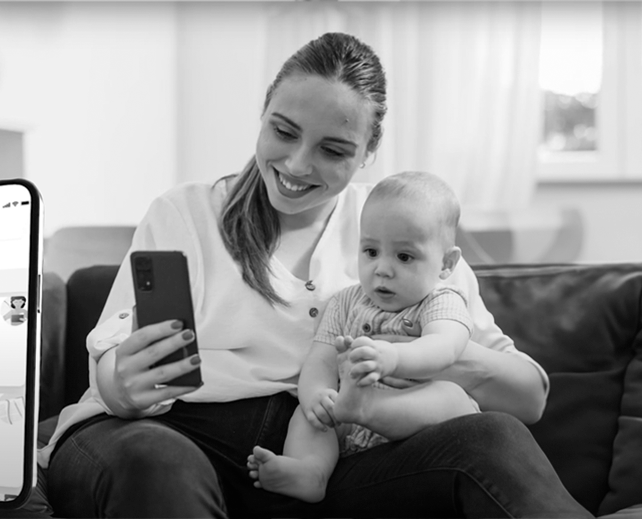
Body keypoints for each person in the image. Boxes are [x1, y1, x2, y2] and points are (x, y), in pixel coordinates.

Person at [41, 32, 593, 518]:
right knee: (156, 461)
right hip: (170, 432)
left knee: (489, 437)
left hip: (322, 464)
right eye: (283, 131)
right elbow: (112, 372)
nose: (298, 165)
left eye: (333, 149)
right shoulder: (185, 213)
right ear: (262, 114)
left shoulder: (400, 233)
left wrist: (426, 349)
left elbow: (528, 399)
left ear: (368, 152)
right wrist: (123, 384)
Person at [246, 171, 482, 503]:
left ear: (446, 263)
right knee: (309, 413)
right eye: (371, 251)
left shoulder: (442, 300)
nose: (382, 269)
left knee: (451, 396)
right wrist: (316, 394)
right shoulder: (344, 302)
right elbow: (321, 358)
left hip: (415, 424)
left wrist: (395, 358)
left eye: (403, 256)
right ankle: (310, 471)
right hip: (350, 420)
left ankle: (366, 407)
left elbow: (445, 346)